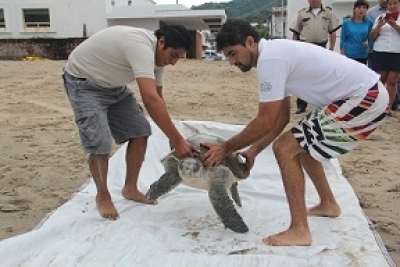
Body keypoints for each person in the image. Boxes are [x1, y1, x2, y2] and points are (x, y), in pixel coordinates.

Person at [202, 19, 389, 246]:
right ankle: (328, 203)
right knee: (301, 144)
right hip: (364, 95)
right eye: (228, 57)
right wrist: (254, 150)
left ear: (250, 42)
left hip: (365, 98)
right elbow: (281, 119)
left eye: (233, 53)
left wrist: (226, 148)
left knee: (285, 147)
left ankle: (300, 230)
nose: (232, 62)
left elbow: (265, 120)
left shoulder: (271, 58)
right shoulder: (274, 53)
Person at [62, 25, 198, 220]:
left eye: (178, 58)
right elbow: (149, 99)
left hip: (114, 86)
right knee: (100, 142)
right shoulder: (140, 45)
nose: (174, 62)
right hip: (83, 82)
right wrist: (178, 141)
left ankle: (130, 187)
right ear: (161, 42)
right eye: (173, 55)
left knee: (140, 130)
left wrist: (173, 137)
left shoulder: (159, 61)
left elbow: (158, 99)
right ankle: (103, 195)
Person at [289, 0, 341, 114]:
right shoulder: (302, 14)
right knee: (303, 77)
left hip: (321, 47)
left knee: (321, 76)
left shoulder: (329, 13)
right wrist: (293, 49)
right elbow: (295, 33)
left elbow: (333, 32)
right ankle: (301, 105)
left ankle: (321, 104)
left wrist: (331, 48)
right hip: (305, 47)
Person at [368, 0, 400, 116]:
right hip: (380, 51)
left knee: (392, 81)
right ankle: (376, 106)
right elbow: (371, 36)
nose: (392, 6)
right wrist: (379, 26)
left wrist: (395, 26)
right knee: (380, 80)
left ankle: (388, 108)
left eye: (395, 3)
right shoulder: (380, 17)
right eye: (390, 4)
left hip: (396, 51)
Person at [340, 0, 374, 64]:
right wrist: (342, 51)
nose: (361, 10)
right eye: (359, 7)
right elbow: (343, 39)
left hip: (362, 53)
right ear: (354, 9)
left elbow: (372, 37)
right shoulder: (346, 23)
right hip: (349, 53)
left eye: (364, 8)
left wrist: (369, 45)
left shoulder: (370, 22)